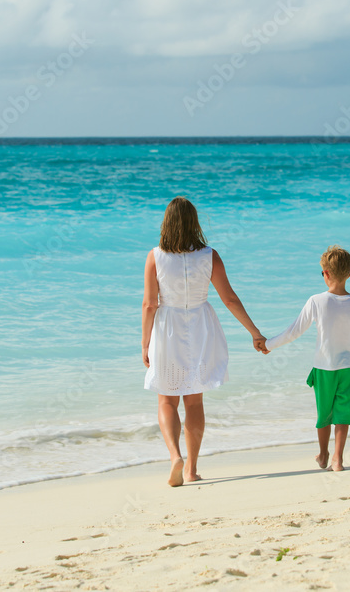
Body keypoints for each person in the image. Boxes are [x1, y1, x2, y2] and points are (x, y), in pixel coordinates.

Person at [142, 197, 267, 487]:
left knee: (167, 400)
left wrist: (145, 342)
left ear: (167, 223)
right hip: (200, 326)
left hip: (168, 328)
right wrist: (254, 332)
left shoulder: (156, 256)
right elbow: (229, 298)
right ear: (194, 222)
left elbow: (149, 304)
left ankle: (175, 456)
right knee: (194, 400)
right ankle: (192, 469)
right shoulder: (209, 255)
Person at [263, 246, 350, 472]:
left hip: (323, 367)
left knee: (324, 414)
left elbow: (294, 332)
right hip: (349, 367)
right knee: (343, 413)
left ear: (326, 273)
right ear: (349, 274)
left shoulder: (316, 301)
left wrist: (269, 344)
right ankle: (338, 458)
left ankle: (324, 453)